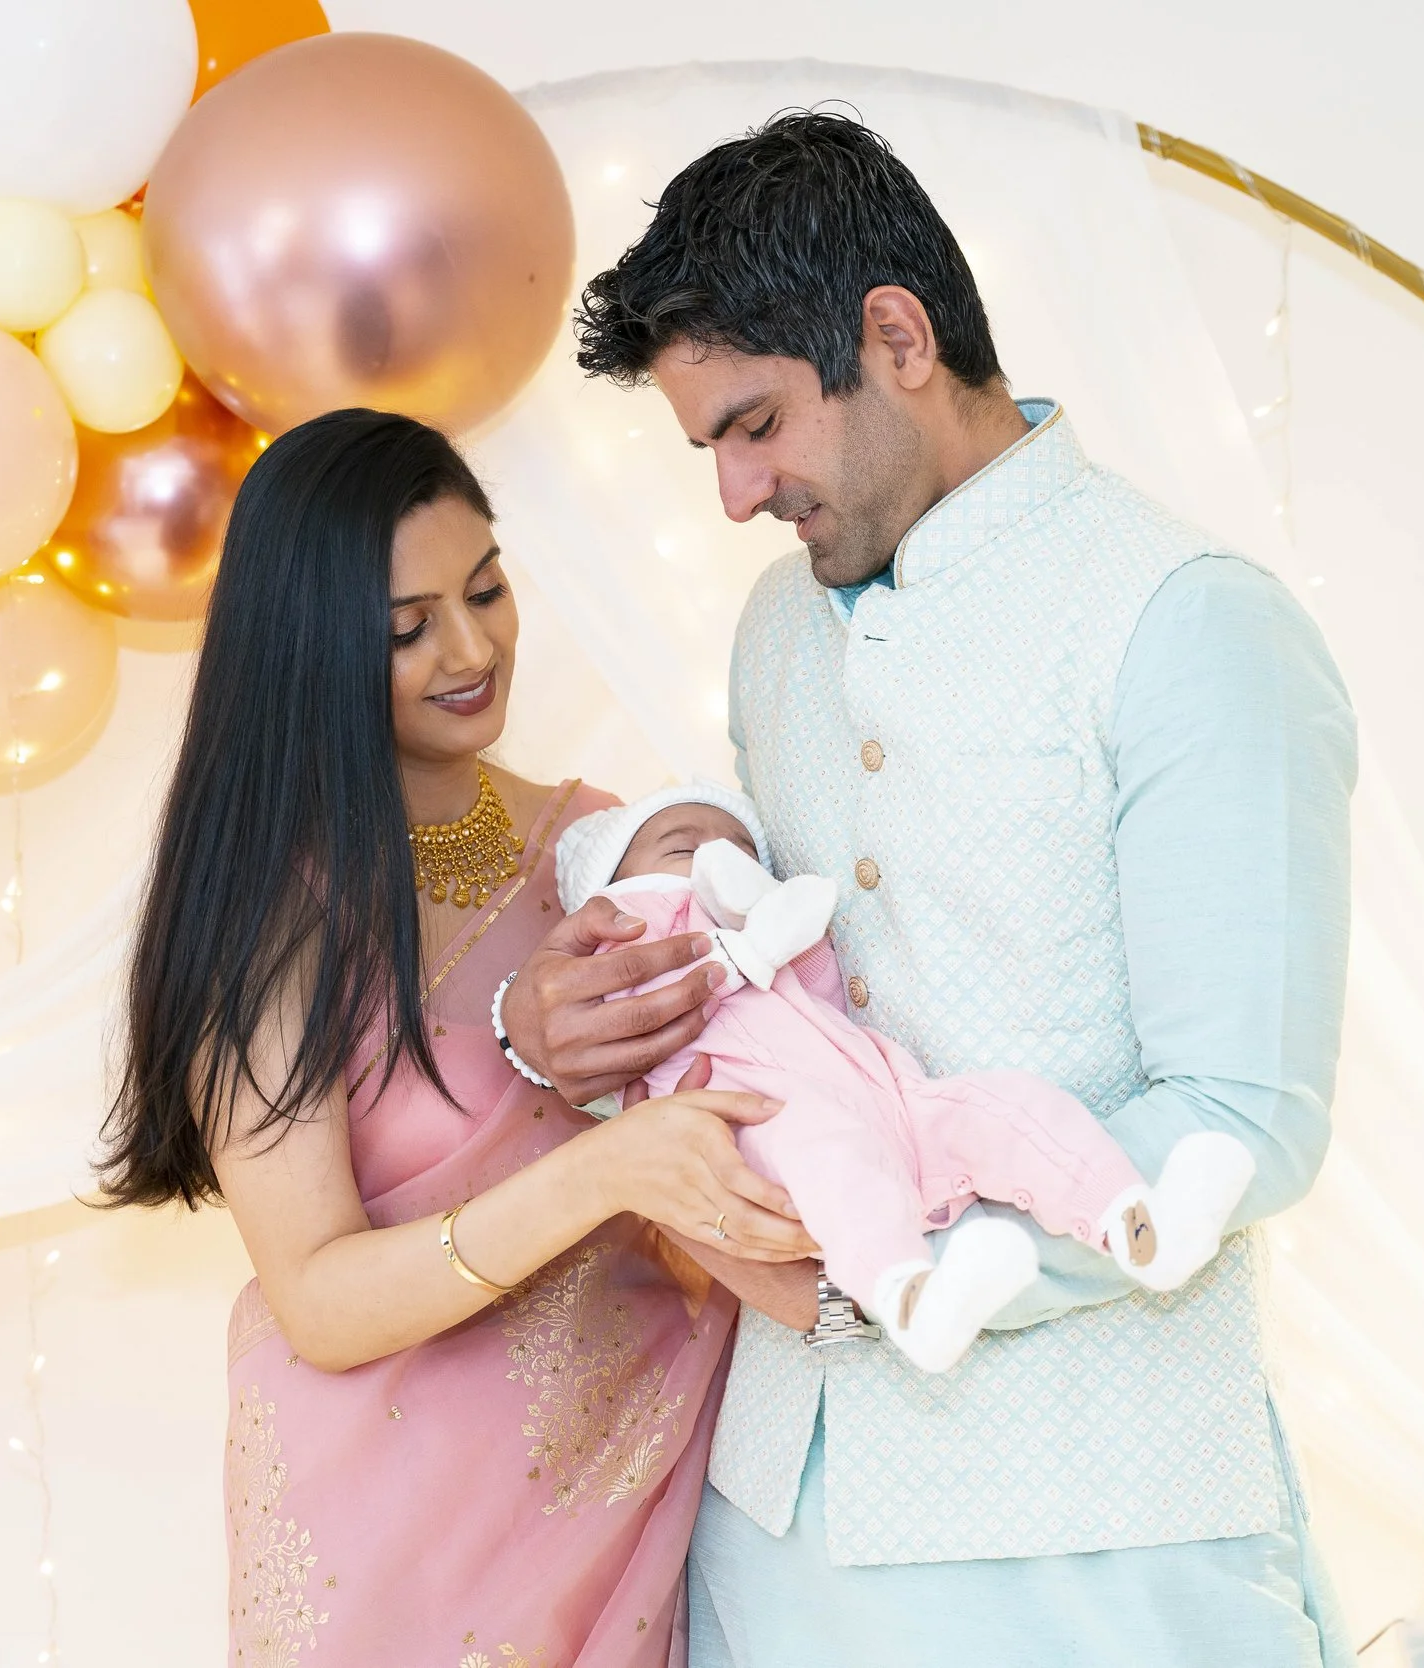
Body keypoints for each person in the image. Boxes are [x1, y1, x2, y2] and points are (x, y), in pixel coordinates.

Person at [501, 112, 1361, 1664]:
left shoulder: (1188, 625)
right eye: (709, 447)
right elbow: (795, 997)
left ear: (895, 337)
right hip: (778, 1528)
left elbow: (1244, 1116)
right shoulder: (778, 627)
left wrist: (858, 1276)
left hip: (1105, 1534)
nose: (737, 492)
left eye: (755, 425)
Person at [95, 407, 817, 1668]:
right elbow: (315, 1296)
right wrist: (600, 1170)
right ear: (307, 650)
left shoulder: (604, 846)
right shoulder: (270, 911)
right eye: (405, 628)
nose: (471, 648)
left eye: (485, 589)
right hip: (395, 1537)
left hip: (648, 1484)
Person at [554, 781, 1257, 1373]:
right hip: (775, 1129)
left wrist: (780, 926)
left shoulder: (758, 938)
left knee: (1000, 1105)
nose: (718, 856)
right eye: (684, 847)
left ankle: (1134, 1220)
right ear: (614, 888)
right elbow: (629, 1026)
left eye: (740, 848)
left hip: (890, 1102)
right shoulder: (631, 939)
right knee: (831, 1150)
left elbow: (820, 990)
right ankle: (907, 1296)